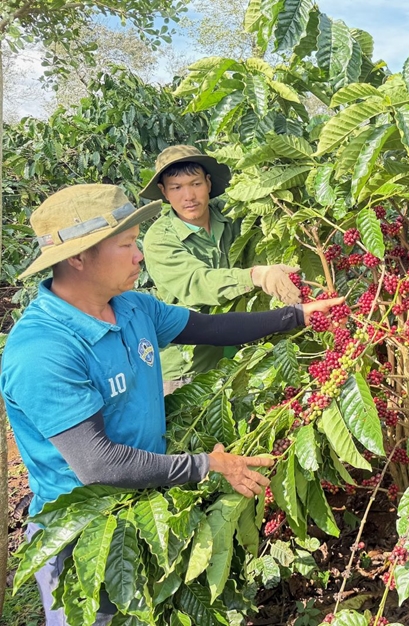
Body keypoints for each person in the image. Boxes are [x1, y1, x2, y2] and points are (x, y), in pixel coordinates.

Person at [0, 184, 343, 625]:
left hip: (147, 501)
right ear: (78, 258)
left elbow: (211, 328)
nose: (139, 255)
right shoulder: (43, 350)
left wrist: (297, 316)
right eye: (125, 245)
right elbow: (99, 465)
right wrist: (207, 465)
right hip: (85, 528)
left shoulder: (132, 308)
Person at [140, 145, 302, 394]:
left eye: (195, 184)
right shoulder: (160, 239)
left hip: (239, 355)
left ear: (208, 183)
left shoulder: (231, 213)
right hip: (188, 368)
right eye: (176, 188)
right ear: (164, 192)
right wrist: (256, 275)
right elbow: (197, 282)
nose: (188, 196)